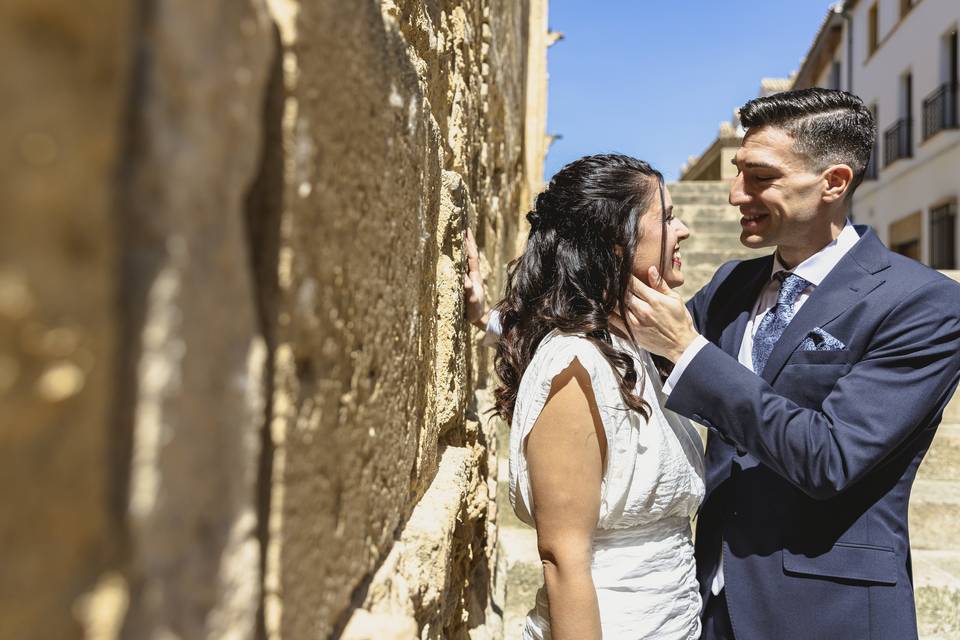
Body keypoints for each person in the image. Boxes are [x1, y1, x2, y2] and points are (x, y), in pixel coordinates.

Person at [615, 88, 960, 639]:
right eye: (737, 173)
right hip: (708, 604)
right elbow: (632, 358)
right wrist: (496, 320)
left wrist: (688, 351)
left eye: (760, 177)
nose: (734, 195)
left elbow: (830, 458)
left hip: (828, 613)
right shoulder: (732, 283)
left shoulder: (923, 303)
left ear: (834, 182)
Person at [471, 153, 704, 639]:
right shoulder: (574, 368)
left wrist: (485, 317)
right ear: (617, 242)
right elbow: (563, 557)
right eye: (667, 216)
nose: (683, 231)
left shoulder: (635, 347)